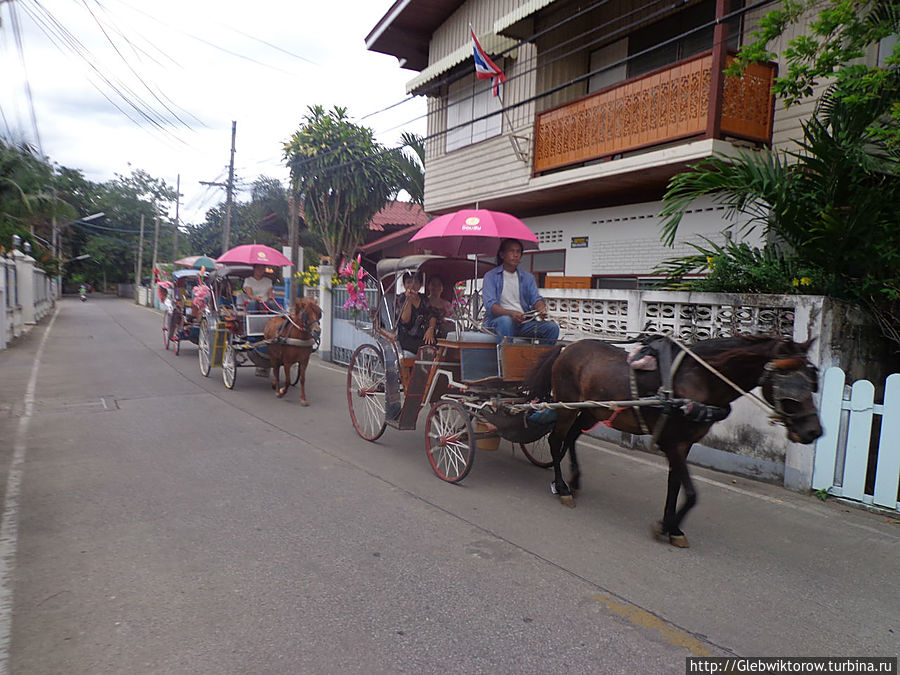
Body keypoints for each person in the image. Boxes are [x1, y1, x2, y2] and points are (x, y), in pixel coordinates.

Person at [482, 238, 560, 344]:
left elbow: (536, 298)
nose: (515, 255)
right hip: (498, 323)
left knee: (552, 328)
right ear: (502, 255)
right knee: (506, 321)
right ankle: (505, 359)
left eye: (518, 251)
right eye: (511, 251)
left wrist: (541, 307)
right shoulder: (491, 276)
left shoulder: (528, 277)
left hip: (523, 324)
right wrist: (510, 313)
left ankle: (541, 360)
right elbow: (491, 306)